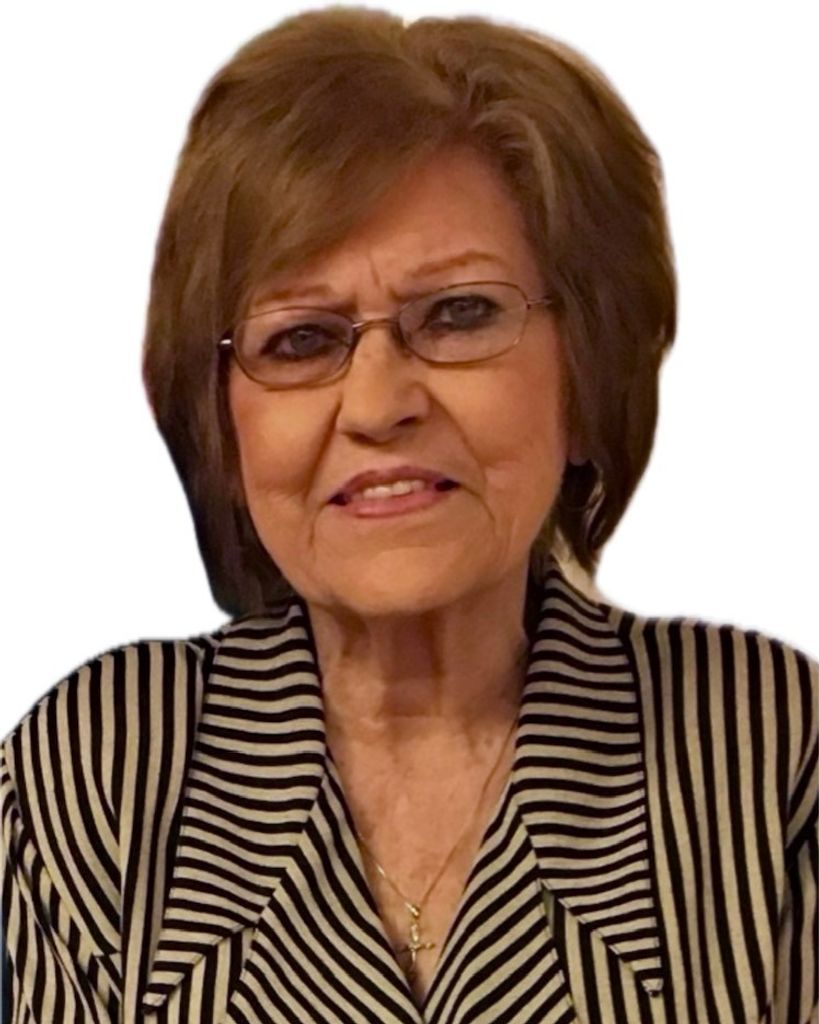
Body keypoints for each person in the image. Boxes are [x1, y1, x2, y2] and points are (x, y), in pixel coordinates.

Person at [1, 7, 816, 1023]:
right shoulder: (101, 764)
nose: (379, 403)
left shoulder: (770, 748)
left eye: (460, 314)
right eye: (301, 340)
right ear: (223, 423)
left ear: (586, 374)